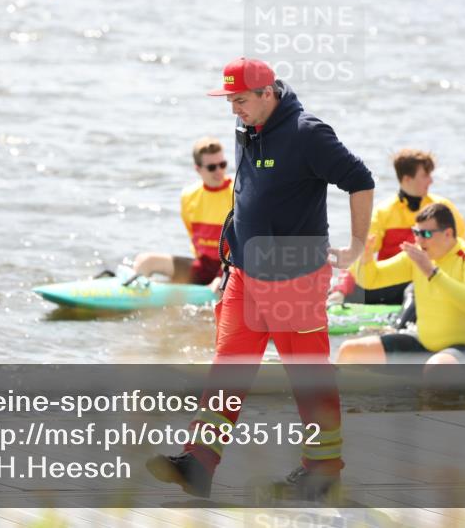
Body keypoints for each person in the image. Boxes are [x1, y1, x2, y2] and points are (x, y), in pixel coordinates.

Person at [146, 57, 374, 501]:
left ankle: (324, 473)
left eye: (242, 99)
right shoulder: (248, 126)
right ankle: (197, 462)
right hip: (245, 273)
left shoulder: (308, 133)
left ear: (268, 93)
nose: (235, 108)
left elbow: (360, 179)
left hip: (295, 278)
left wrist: (357, 247)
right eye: (230, 100)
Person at [335, 202, 465, 366]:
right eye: (416, 232)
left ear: (448, 233)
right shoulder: (417, 256)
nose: (419, 240)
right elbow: (372, 281)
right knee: (350, 351)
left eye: (426, 234)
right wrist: (365, 259)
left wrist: (432, 273)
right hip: (429, 348)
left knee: (437, 367)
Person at [327, 149, 465, 309]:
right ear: (407, 179)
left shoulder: (443, 209)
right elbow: (360, 255)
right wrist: (342, 290)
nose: (431, 181)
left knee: (414, 285)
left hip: (429, 280)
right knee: (354, 290)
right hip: (389, 283)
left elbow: (462, 250)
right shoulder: (383, 213)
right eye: (425, 175)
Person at [127, 138, 232, 287]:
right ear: (198, 169)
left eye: (222, 165)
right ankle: (130, 297)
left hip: (229, 268)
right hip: (202, 266)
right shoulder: (188, 196)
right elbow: (193, 236)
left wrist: (222, 275)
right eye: (212, 167)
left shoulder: (238, 194)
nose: (219, 171)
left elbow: (241, 243)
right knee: (145, 261)